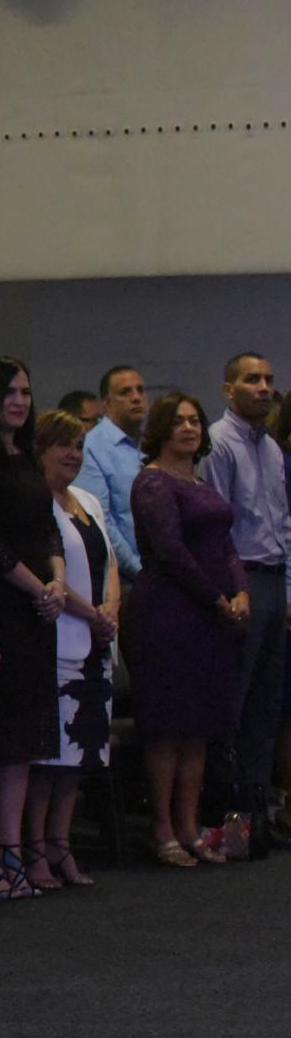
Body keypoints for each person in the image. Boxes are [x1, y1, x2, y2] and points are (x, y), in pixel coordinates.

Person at [0, 357, 64, 899]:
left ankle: (15, 849)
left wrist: (59, 582)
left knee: (22, 742)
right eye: (9, 392)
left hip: (38, 607)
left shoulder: (26, 456)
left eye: (26, 391)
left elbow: (48, 528)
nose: (20, 401)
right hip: (2, 603)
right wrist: (35, 586)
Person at [125, 393, 246, 866]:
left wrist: (241, 592)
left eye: (195, 420)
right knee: (168, 727)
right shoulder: (152, 482)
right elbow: (171, 552)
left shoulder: (201, 481)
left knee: (198, 728)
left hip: (211, 617)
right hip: (169, 613)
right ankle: (162, 830)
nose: (189, 428)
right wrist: (217, 599)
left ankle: (191, 827)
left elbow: (227, 545)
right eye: (177, 422)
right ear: (160, 430)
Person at [21, 410, 114, 888]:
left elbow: (110, 561)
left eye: (79, 446)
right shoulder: (39, 505)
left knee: (77, 758)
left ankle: (62, 844)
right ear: (40, 451)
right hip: (58, 640)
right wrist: (91, 613)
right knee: (48, 760)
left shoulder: (87, 501)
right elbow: (48, 573)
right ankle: (35, 849)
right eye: (63, 445)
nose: (73, 455)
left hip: (95, 643)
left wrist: (109, 610)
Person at [202, 353, 287, 857]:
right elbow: (217, 529)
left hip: (275, 579)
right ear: (229, 389)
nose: (263, 388)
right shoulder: (218, 443)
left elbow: (284, 524)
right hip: (242, 581)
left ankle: (257, 817)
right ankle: (229, 822)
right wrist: (234, 591)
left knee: (266, 710)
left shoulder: (273, 448)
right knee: (233, 707)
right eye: (251, 380)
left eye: (269, 380)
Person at [74, 364, 148, 581]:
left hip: (165, 573)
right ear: (106, 403)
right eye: (125, 392)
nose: (136, 398)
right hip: (125, 576)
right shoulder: (91, 447)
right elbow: (100, 521)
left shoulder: (152, 443)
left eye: (140, 390)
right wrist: (139, 571)